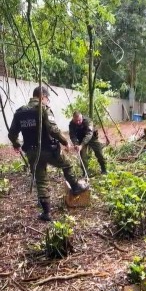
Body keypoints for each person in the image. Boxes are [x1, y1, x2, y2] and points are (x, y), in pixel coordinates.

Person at [8, 86, 89, 221]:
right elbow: (53, 130)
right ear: (43, 96)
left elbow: (12, 134)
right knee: (67, 165)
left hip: (32, 152)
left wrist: (17, 145)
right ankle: (75, 187)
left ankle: (46, 212)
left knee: (41, 179)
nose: (47, 101)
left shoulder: (19, 113)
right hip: (49, 150)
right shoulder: (43, 109)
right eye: (47, 99)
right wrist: (65, 142)